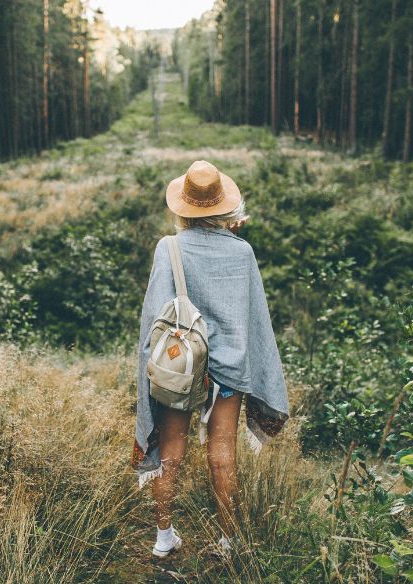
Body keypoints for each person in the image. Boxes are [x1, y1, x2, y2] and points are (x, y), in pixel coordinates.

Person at [131, 159, 290, 560]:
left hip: (181, 368)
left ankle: (164, 538)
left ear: (184, 207)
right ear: (225, 207)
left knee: (171, 451)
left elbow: (155, 316)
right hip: (229, 371)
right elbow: (254, 319)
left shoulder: (168, 248)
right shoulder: (243, 253)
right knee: (222, 454)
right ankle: (228, 540)